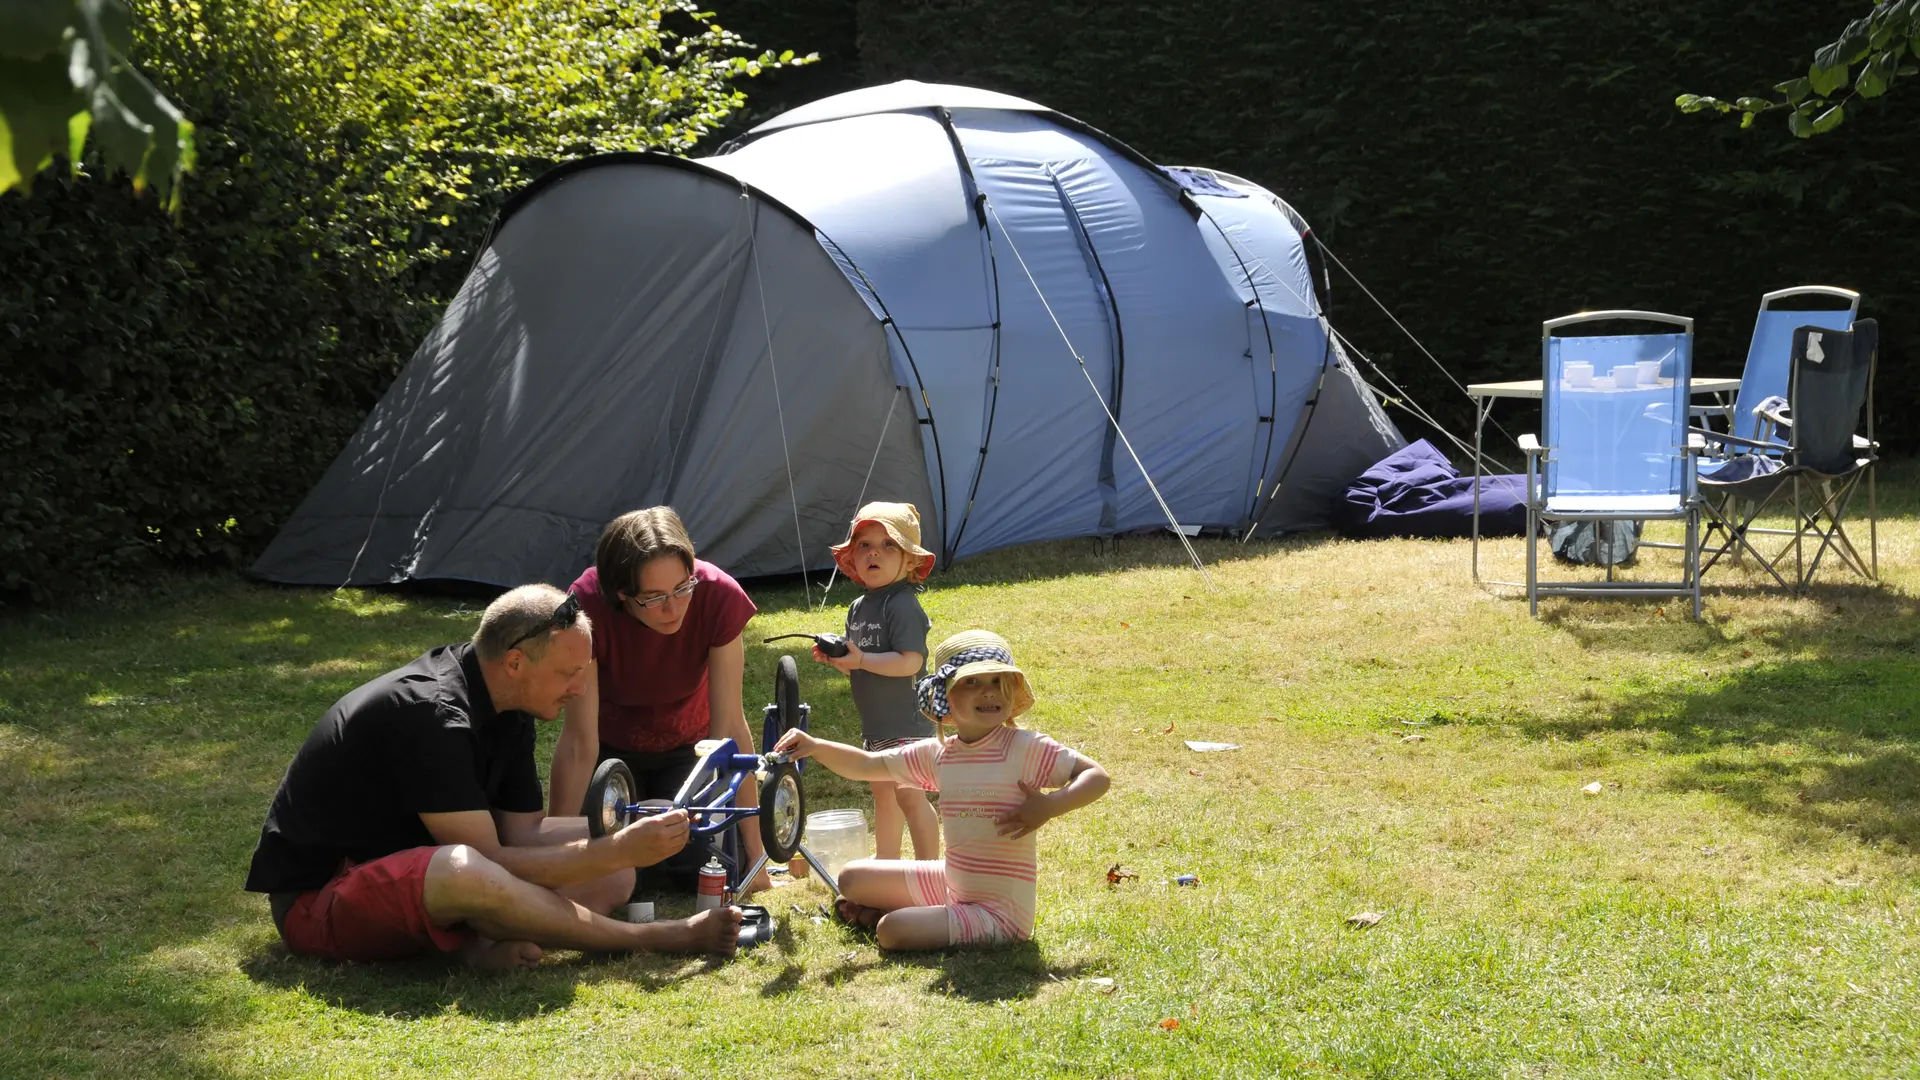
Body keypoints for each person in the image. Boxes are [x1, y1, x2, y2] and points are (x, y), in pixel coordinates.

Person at [243, 584, 744, 969]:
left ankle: (473, 945)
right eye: (569, 673)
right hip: (319, 903)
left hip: (417, 875)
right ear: (515, 662)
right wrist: (613, 848)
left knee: (613, 869)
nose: (579, 687)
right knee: (470, 871)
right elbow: (489, 861)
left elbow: (522, 833)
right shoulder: (432, 713)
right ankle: (657, 937)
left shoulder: (511, 703)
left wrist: (636, 824)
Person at [773, 629, 1110, 950]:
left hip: (1001, 915)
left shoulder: (1025, 748)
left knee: (891, 931)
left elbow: (1096, 776)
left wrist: (1050, 806)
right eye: (972, 682)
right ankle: (902, 914)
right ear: (945, 697)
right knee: (851, 878)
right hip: (952, 883)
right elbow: (866, 765)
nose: (988, 691)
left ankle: (887, 918)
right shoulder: (941, 755)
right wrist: (814, 745)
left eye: (997, 681)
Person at [549, 507, 771, 895]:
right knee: (615, 869)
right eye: (653, 598)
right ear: (620, 593)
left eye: (683, 588)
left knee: (702, 868)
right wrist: (557, 859)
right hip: (612, 757)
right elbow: (579, 742)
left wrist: (757, 858)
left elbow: (728, 729)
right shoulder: (586, 606)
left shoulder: (717, 593)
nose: (674, 608)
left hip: (689, 752)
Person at [812, 501, 940, 861]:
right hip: (878, 725)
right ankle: (887, 866)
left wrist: (863, 659)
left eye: (888, 546)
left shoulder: (901, 605)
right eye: (864, 545)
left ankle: (930, 870)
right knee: (884, 796)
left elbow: (910, 662)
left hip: (907, 724)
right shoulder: (858, 607)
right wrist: (842, 662)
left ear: (910, 561)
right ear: (852, 557)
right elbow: (863, 666)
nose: (874, 553)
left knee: (910, 797)